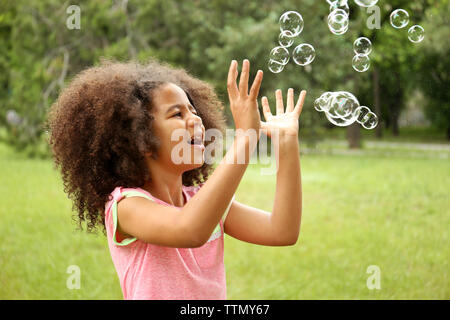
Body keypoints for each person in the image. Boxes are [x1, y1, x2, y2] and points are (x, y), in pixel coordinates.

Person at [46, 58, 306, 299]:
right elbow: (190, 229)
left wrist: (287, 143)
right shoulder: (125, 206)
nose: (195, 119)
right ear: (141, 140)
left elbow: (282, 230)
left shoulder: (204, 203)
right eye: (177, 114)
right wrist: (245, 137)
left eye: (193, 111)